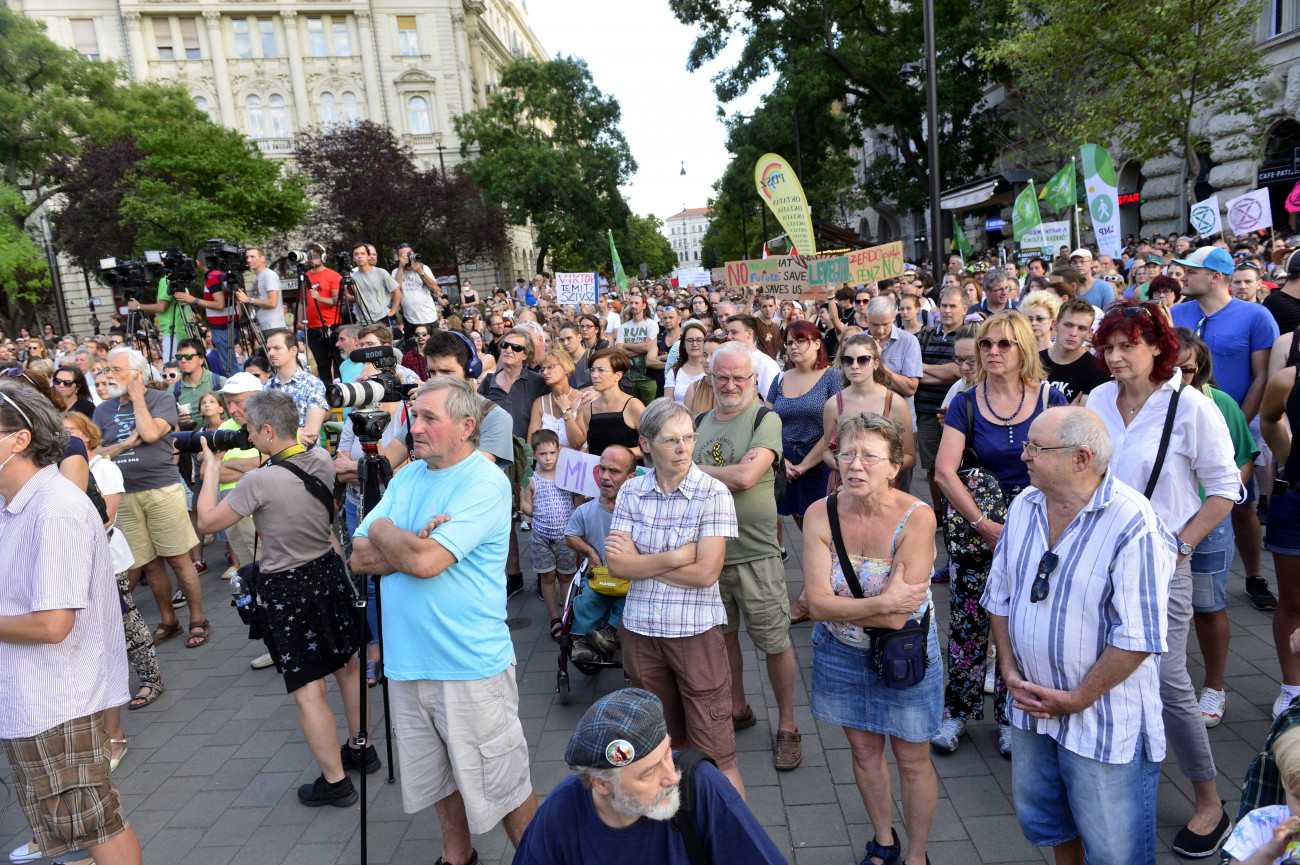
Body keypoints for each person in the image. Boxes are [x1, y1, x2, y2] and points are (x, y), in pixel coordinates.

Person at [350, 377, 538, 864]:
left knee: (505, 785)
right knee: (436, 777)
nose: (417, 426)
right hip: (407, 665)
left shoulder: (484, 482)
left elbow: (426, 563)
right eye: (415, 416)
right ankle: (457, 857)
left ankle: (540, 858)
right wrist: (410, 538)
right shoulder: (410, 476)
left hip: (469, 666)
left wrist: (393, 535)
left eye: (430, 417)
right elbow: (359, 556)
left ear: (467, 425)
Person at [984, 407, 1172, 865]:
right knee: (1049, 824)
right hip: (1032, 710)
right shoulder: (1025, 504)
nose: (1023, 454)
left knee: (1115, 852)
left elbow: (1139, 636)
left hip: (1104, 724)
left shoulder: (1133, 522)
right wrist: (1007, 668)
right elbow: (1001, 596)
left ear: (1081, 458)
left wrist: (1076, 698)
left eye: (1035, 447)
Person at [1090, 299, 1238, 855]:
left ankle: (1210, 802)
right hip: (1101, 558)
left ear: (1158, 347)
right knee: (1106, 665)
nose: (1115, 355)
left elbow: (1225, 488)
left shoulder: (1192, 407)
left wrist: (1180, 546)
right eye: (1108, 346)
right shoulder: (1100, 398)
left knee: (1170, 679)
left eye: (1127, 345)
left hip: (1163, 564)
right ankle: (1119, 778)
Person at [194, 390, 369, 805]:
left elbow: (205, 521)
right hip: (329, 570)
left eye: (251, 431)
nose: (248, 438)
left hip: (288, 588)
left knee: (308, 688)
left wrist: (212, 468)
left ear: (268, 430)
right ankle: (361, 747)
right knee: (347, 665)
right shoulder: (322, 459)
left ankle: (335, 782)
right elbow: (280, 464)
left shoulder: (259, 481)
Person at [0, 381, 143, 865]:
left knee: (96, 823)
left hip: (57, 697)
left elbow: (52, 625)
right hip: (36, 695)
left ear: (19, 439)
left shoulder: (55, 509)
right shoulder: (18, 503)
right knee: (74, 826)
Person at [804, 412, 939, 865]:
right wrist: (882, 604)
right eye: (847, 453)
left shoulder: (918, 519)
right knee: (863, 752)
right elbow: (816, 607)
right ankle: (884, 841)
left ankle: (917, 856)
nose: (855, 465)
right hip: (840, 652)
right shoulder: (818, 514)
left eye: (869, 456)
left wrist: (859, 609)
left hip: (904, 653)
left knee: (912, 758)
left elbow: (900, 621)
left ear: (893, 466)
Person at [932, 311, 1068, 756]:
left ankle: (1013, 713)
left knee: (1024, 623)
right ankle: (957, 712)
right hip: (981, 526)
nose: (991, 352)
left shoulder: (1052, 398)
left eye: (1004, 344)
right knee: (969, 620)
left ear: (1024, 349)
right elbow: (944, 472)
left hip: (1040, 528)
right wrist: (982, 524)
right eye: (987, 344)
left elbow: (1071, 465)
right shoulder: (965, 402)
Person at [607, 398, 745, 795]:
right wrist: (675, 556)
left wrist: (643, 561)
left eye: (688, 438)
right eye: (671, 440)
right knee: (661, 746)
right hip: (640, 634)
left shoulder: (713, 493)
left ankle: (731, 842)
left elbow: (706, 574)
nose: (683, 448)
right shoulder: (631, 490)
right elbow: (617, 568)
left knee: (717, 755)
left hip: (695, 635)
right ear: (646, 443)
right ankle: (678, 829)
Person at [512, 688, 789, 865]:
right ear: (600, 783)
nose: (672, 777)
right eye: (648, 772)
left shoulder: (700, 786)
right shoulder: (558, 817)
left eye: (668, 752)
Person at [693, 342, 803, 771]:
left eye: (740, 378)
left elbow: (745, 476)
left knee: (774, 642)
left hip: (756, 553)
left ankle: (788, 726)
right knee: (721, 638)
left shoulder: (764, 418)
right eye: (723, 377)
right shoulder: (699, 421)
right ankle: (738, 708)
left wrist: (687, 468)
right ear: (711, 379)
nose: (731, 385)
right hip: (708, 553)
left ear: (754, 380)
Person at [1171, 246, 1281, 614]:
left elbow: (1263, 375)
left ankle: (1253, 575)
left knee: (1241, 503)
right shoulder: (1177, 313)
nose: (1183, 276)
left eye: (1191, 271)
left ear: (1215, 276)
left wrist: (1232, 421)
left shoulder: (1256, 316)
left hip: (1236, 423)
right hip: (1179, 424)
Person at [92, 349, 209, 648]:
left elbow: (152, 433)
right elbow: (93, 453)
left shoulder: (161, 399)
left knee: (179, 558)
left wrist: (138, 397)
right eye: (107, 370)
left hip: (160, 488)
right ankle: (168, 620)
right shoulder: (103, 410)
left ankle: (198, 619)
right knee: (149, 562)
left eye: (116, 370)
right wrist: (127, 443)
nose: (109, 376)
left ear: (137, 373)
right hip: (124, 493)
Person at [1174, 330, 1256, 729]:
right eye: (1171, 368)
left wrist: (1214, 500)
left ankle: (1215, 687)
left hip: (1209, 524)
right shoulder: (1142, 403)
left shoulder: (1220, 404)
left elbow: (1243, 461)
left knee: (1208, 606)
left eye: (1187, 370)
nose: (1179, 377)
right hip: (1162, 523)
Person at [565, 445, 638, 664]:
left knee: (631, 600)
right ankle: (580, 641)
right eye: (602, 469)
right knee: (585, 599)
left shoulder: (641, 512)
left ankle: (610, 634)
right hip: (601, 575)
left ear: (631, 477)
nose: (605, 477)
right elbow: (570, 536)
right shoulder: (586, 510)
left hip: (631, 578)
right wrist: (590, 552)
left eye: (613, 471)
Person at [1262, 361, 1300, 721]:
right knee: (1292, 602)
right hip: (1296, 501)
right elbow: (1269, 419)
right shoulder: (1290, 378)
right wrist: (1289, 460)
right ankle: (1293, 690)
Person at [522, 428, 578, 640]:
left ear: (559, 452)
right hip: (541, 536)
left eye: (552, 453)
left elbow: (577, 499)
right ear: (534, 455)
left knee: (566, 576)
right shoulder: (531, 479)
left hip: (565, 536)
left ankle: (566, 616)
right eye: (543, 454)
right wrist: (523, 503)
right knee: (547, 577)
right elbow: (528, 506)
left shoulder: (567, 475)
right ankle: (554, 617)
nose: (548, 458)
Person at [914, 287, 966, 509]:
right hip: (928, 412)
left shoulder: (970, 336)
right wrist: (939, 373)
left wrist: (923, 370)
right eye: (944, 305)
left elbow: (959, 372)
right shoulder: (924, 336)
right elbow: (912, 374)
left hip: (960, 413)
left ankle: (960, 508)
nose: (947, 310)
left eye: (953, 306)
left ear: (964, 308)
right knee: (934, 467)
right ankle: (939, 512)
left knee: (961, 465)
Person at [865, 297, 923, 490]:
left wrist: (878, 363)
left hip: (899, 426)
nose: (880, 331)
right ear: (866, 319)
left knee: (900, 486)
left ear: (895, 318)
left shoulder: (909, 342)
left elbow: (910, 388)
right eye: (874, 325)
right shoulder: (859, 341)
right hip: (867, 424)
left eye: (886, 324)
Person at [262, 329, 329, 448]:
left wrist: (274, 436)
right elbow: (259, 431)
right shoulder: (265, 387)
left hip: (306, 458)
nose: (271, 353)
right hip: (274, 459)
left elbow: (311, 434)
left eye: (277, 348)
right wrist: (298, 434)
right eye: (269, 349)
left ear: (293, 350)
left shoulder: (312, 384)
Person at [479, 326, 549, 439]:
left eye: (516, 347)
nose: (508, 350)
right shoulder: (488, 382)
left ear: (525, 354)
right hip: (491, 452)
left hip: (525, 453)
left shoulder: (538, 382)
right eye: (505, 345)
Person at [1039, 298, 1108, 404]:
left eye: (1081, 328)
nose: (1073, 333)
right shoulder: (1034, 361)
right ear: (1055, 325)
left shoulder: (1097, 370)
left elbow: (1082, 417)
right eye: (1068, 325)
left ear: (1089, 333)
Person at [579, 348, 645, 458]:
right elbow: (592, 448)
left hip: (629, 472)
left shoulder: (633, 405)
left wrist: (616, 454)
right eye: (592, 370)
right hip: (599, 472)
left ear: (617, 375)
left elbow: (651, 447)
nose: (594, 375)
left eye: (601, 370)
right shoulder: (588, 409)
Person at [299, 244, 344, 382]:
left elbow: (337, 300)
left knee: (338, 361)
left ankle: (341, 390)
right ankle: (327, 391)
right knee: (321, 363)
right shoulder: (304, 277)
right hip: (312, 326)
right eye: (309, 256)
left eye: (314, 256)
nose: (311, 259)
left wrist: (319, 298)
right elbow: (302, 301)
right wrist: (300, 320)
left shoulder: (333, 275)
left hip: (331, 323)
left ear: (322, 257)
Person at [527, 349, 585, 450]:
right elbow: (531, 445)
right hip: (543, 465)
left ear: (565, 368)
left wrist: (566, 411)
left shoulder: (583, 400)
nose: (545, 372)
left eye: (550, 367)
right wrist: (561, 448)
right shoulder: (540, 403)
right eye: (543, 369)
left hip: (572, 465)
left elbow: (577, 443)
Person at [616, 293, 660, 405]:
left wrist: (627, 344)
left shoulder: (651, 324)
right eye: (631, 303)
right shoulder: (624, 327)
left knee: (650, 412)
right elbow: (618, 351)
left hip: (648, 378)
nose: (633, 305)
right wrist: (641, 347)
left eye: (636, 303)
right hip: (628, 379)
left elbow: (648, 347)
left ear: (644, 306)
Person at [724, 315, 781, 399]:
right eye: (727, 332)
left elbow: (772, 403)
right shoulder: (730, 361)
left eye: (734, 332)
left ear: (750, 333)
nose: (728, 337)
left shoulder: (766, 364)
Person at [392, 243, 441, 341]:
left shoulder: (423, 268)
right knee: (412, 350)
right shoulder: (395, 272)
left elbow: (435, 288)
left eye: (409, 254)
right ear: (398, 257)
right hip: (410, 320)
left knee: (434, 348)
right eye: (404, 256)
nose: (408, 258)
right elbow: (395, 291)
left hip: (429, 318)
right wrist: (401, 268)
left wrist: (419, 270)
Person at [236, 246, 286, 334]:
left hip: (273, 327)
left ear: (262, 258)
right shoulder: (259, 276)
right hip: (265, 327)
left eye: (252, 256)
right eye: (247, 257)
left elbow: (273, 303)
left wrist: (248, 299)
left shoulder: (269, 275)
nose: (248, 260)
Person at [349, 242, 401, 327]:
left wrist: (392, 312)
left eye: (362, 253)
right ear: (353, 258)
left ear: (368, 256)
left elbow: (397, 292)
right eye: (356, 254)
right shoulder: (352, 276)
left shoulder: (380, 272)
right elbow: (352, 293)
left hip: (381, 318)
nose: (359, 256)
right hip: (362, 321)